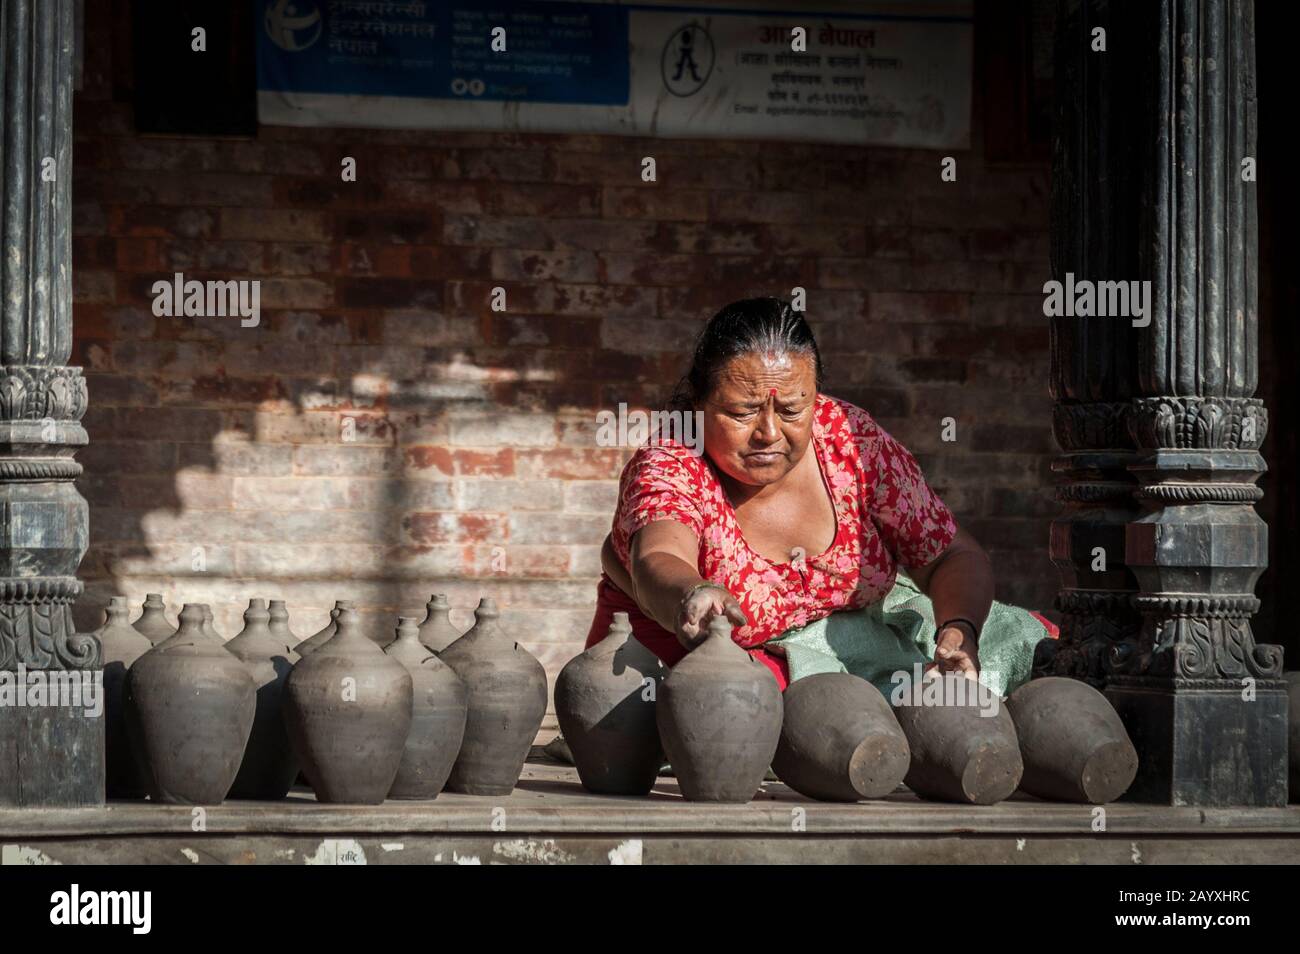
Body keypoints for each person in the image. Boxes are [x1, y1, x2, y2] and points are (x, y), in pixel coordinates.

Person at [584, 296, 1056, 697]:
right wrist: (694, 593)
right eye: (742, 411)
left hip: (853, 638)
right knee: (769, 707)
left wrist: (960, 631)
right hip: (693, 669)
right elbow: (659, 555)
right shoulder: (673, 458)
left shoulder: (852, 442)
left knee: (1029, 645)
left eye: (792, 409)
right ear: (696, 402)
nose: (768, 433)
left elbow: (949, 553)